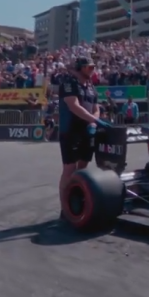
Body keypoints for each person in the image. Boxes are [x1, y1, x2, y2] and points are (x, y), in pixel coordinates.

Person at [58, 57, 109, 196]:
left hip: (87, 131)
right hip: (70, 130)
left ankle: (77, 196)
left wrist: (93, 122)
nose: (92, 70)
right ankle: (65, 203)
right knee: (69, 169)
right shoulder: (69, 84)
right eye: (89, 67)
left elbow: (96, 108)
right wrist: (95, 120)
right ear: (80, 68)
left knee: (83, 167)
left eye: (93, 67)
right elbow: (74, 106)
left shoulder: (91, 87)